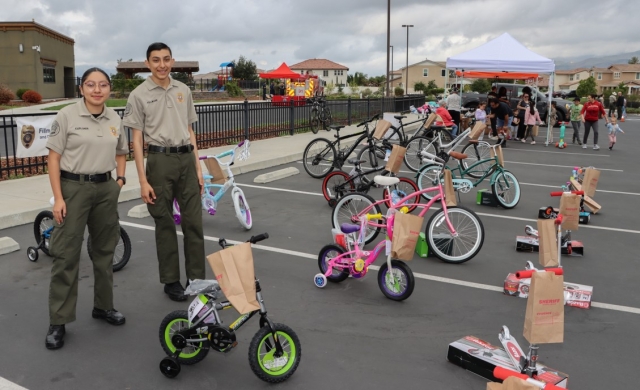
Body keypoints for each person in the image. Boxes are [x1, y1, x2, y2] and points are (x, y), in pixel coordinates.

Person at [44, 68, 129, 350]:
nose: (97, 90)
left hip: (105, 189)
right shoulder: (67, 116)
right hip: (73, 188)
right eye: (90, 84)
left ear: (109, 89)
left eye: (103, 85)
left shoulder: (115, 117)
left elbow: (120, 151)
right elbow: (53, 159)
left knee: (105, 251)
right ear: (81, 89)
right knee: (66, 254)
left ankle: (103, 307)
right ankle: (59, 320)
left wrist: (119, 181)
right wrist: (58, 198)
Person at [122, 42, 206, 302]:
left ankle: (196, 279)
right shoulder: (138, 95)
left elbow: (190, 131)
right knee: (165, 224)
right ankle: (171, 281)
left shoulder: (183, 90)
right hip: (159, 162)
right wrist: (143, 180)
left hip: (185, 160)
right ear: (147, 64)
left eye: (166, 59)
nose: (162, 64)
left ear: (173, 61)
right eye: (156, 60)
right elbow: (136, 141)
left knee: (194, 223)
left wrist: (198, 167)